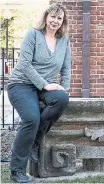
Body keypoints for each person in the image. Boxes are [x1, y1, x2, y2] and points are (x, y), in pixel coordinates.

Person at [7, 3, 71, 183]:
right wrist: (44, 84)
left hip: (46, 87)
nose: (55, 21)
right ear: (46, 17)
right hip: (21, 84)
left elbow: (66, 67)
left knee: (61, 99)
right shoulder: (32, 35)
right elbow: (24, 64)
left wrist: (64, 87)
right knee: (31, 119)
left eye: (59, 18)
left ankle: (35, 139)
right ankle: (17, 171)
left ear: (63, 21)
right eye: (52, 16)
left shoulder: (64, 41)